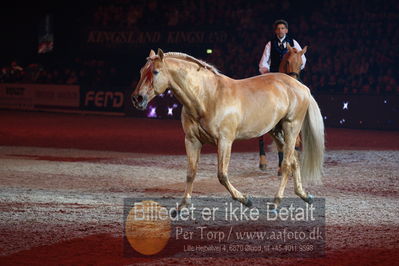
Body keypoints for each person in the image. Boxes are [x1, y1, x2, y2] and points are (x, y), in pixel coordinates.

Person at [258, 19, 306, 175]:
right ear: (275, 31)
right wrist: (267, 73)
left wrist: (296, 68)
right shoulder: (270, 44)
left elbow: (302, 58)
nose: (280, 30)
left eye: (283, 28)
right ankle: (262, 149)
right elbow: (263, 63)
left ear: (286, 30)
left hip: (291, 76)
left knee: (304, 94)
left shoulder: (293, 42)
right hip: (274, 77)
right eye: (278, 28)